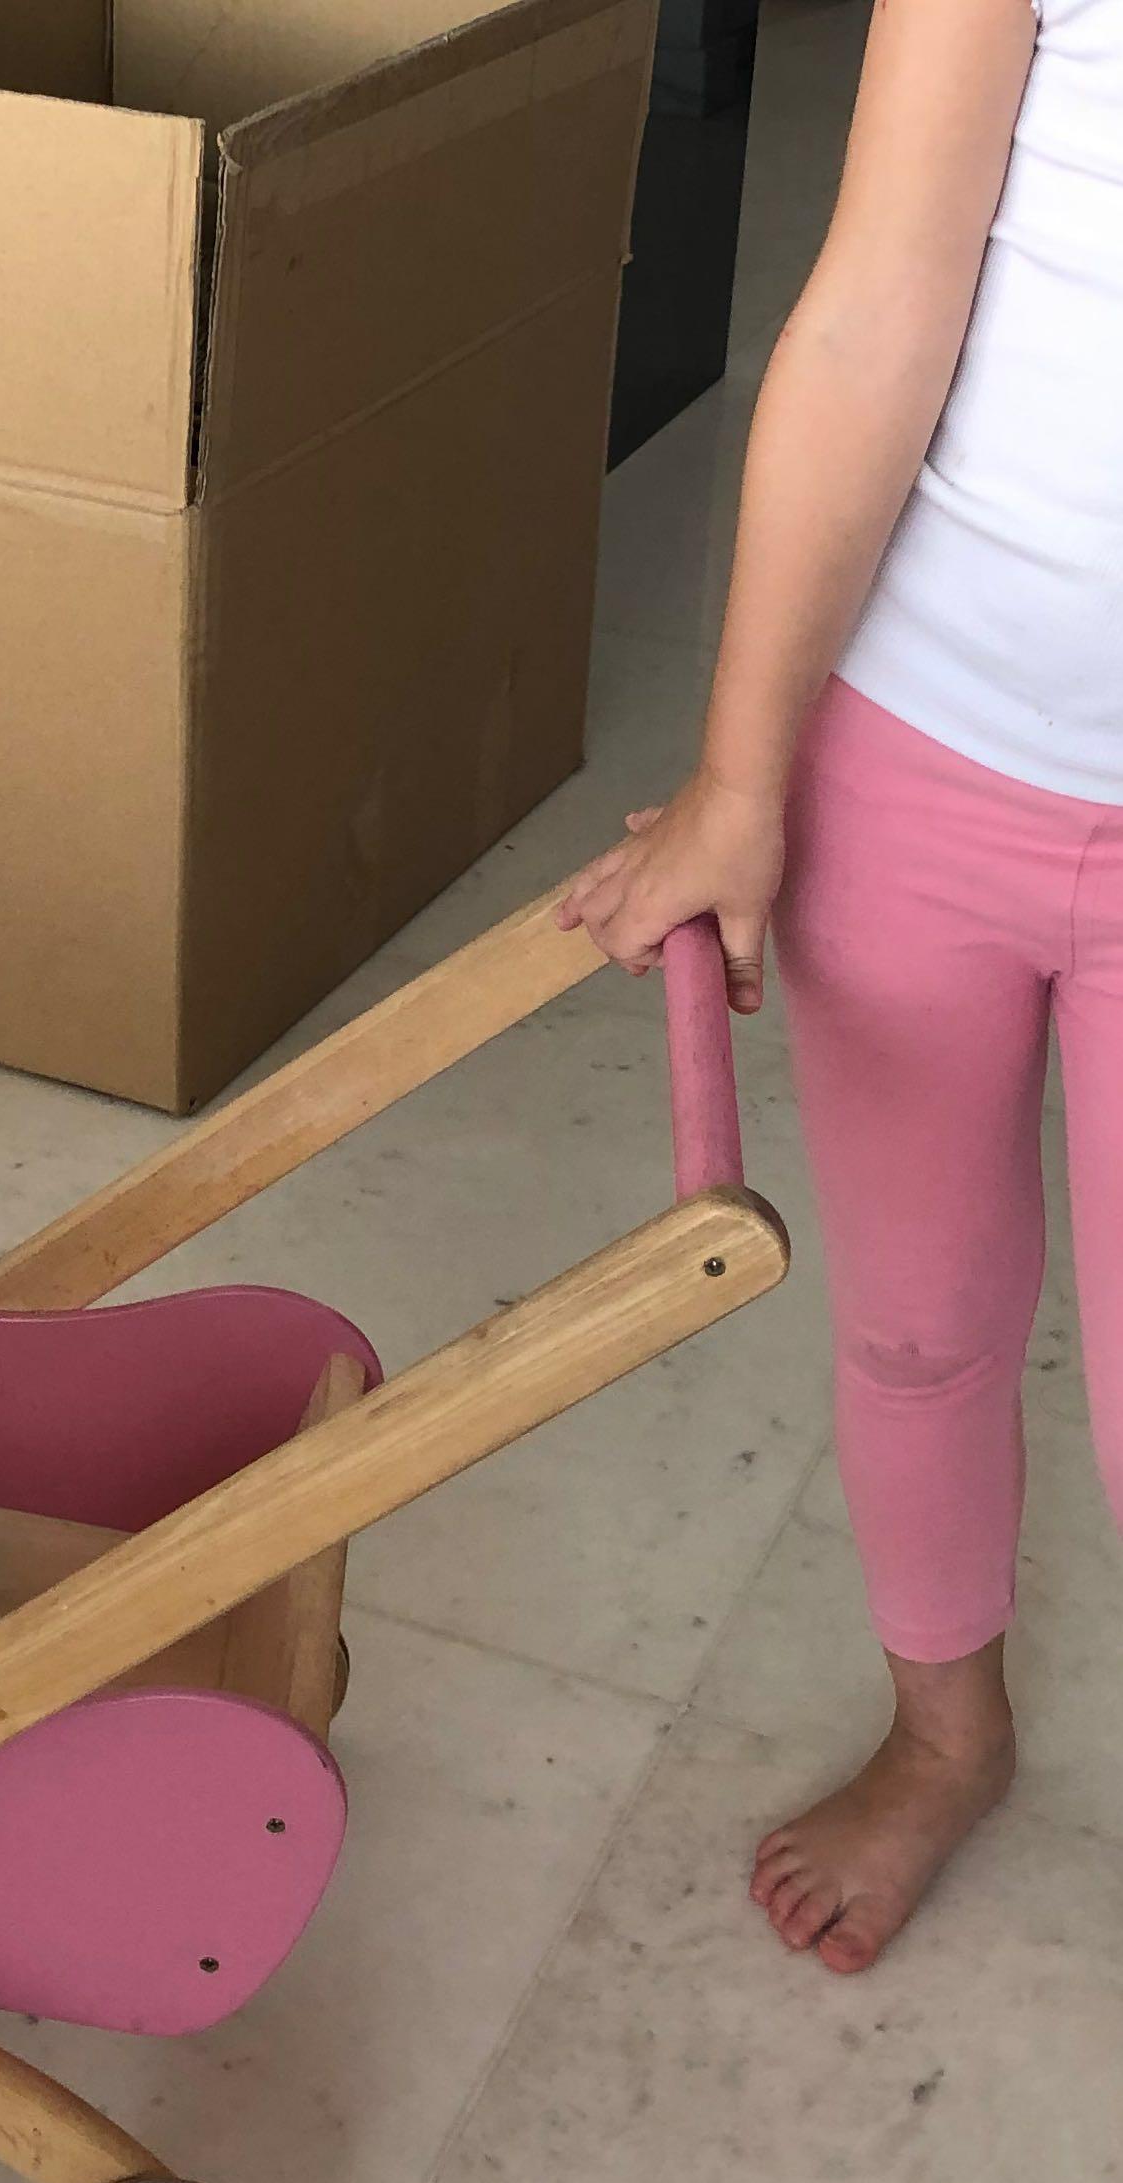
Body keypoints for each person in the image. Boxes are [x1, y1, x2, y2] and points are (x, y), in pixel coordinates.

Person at [559, 0, 1121, 1973]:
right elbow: (879, 296)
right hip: (919, 756)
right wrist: (742, 771)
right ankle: (944, 1733)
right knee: (915, 1323)